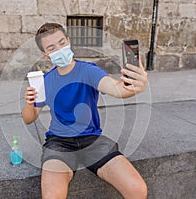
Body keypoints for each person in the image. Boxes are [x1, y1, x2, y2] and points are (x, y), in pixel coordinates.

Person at [22, 23, 148, 199]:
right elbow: (29, 118)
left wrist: (136, 85)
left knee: (137, 189)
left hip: (92, 139)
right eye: (51, 47)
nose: (59, 49)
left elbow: (116, 89)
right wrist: (30, 103)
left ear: (69, 41)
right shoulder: (45, 81)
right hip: (59, 143)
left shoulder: (89, 71)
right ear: (46, 55)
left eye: (61, 42)